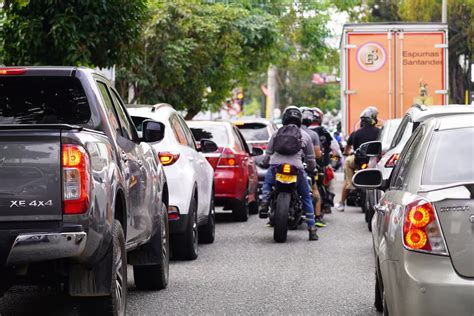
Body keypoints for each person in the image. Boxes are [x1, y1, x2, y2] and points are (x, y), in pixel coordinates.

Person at [259, 106, 319, 241]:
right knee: (306, 197)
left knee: (267, 183)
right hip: (297, 168)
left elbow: (268, 154)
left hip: (276, 167)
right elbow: (311, 159)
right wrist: (312, 168)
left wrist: (265, 162)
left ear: (284, 118)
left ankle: (264, 201)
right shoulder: (306, 135)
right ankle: (312, 229)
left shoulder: (276, 133)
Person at [334, 106, 381, 212]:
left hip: (359, 161)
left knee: (347, 163)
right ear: (373, 118)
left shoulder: (356, 133)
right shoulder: (380, 132)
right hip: (374, 162)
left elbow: (349, 147)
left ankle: (349, 187)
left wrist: (346, 153)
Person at [301, 107, 326, 227]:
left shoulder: (284, 131)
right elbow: (316, 155)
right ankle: (317, 217)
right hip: (304, 167)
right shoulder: (312, 134)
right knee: (314, 191)